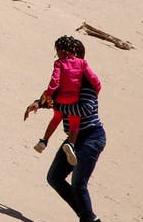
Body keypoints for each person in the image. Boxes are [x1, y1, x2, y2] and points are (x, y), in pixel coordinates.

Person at [24, 38, 107, 222]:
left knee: (79, 184)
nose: (60, 58)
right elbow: (53, 96)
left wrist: (58, 104)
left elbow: (84, 110)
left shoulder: (86, 84)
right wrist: (38, 103)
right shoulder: (69, 82)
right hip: (74, 138)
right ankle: (89, 217)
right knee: (54, 177)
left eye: (63, 55)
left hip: (91, 136)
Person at [35, 34, 102, 164]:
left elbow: (55, 81)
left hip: (59, 98)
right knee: (74, 124)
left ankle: (44, 141)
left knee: (55, 119)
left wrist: (49, 95)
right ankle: (71, 144)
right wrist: (97, 90)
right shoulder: (81, 63)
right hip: (73, 99)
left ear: (61, 50)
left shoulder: (59, 63)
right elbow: (95, 80)